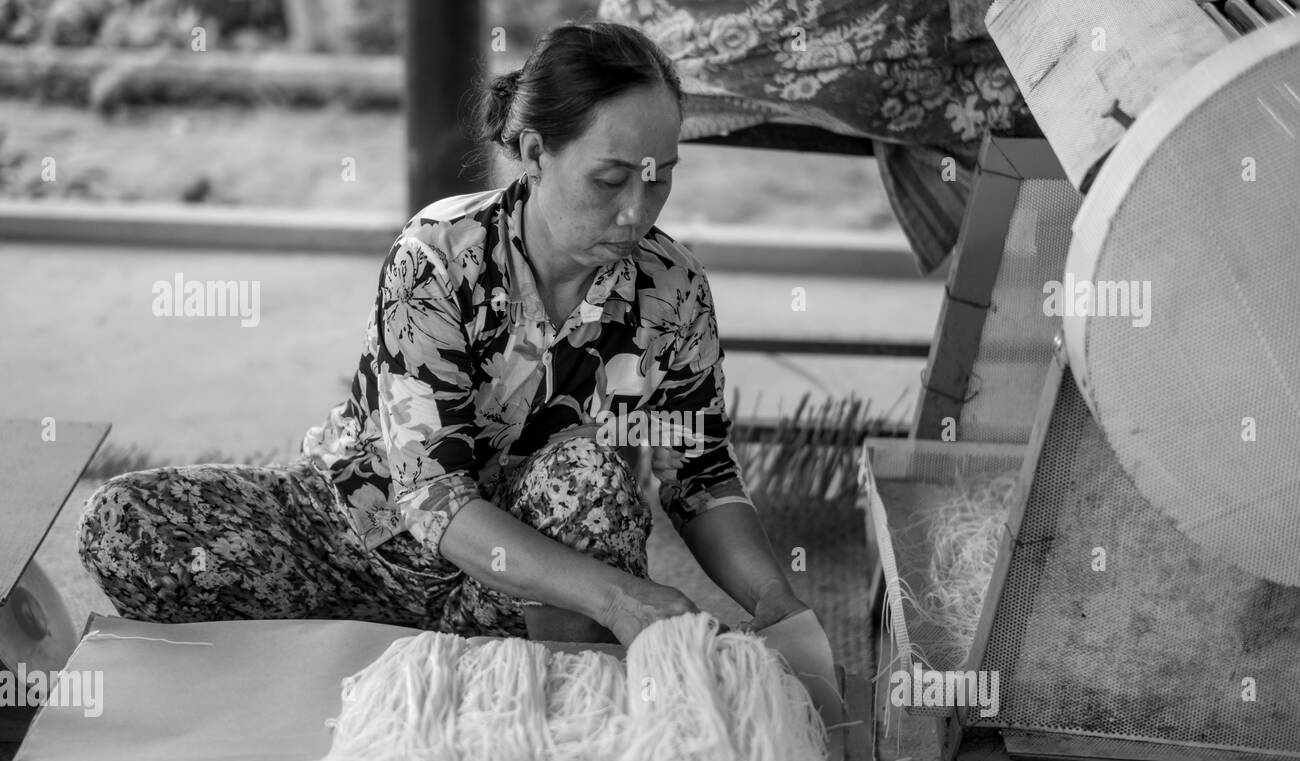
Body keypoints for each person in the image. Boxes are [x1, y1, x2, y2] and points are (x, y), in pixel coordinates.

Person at [76, 21, 825, 672]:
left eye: (658, 178)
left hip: (519, 583)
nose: (636, 209)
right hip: (353, 532)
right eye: (610, 178)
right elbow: (432, 496)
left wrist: (777, 602)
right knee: (122, 526)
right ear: (534, 151)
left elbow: (698, 471)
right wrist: (622, 597)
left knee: (588, 481)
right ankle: (432, 653)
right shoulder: (437, 257)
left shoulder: (672, 288)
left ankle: (471, 661)